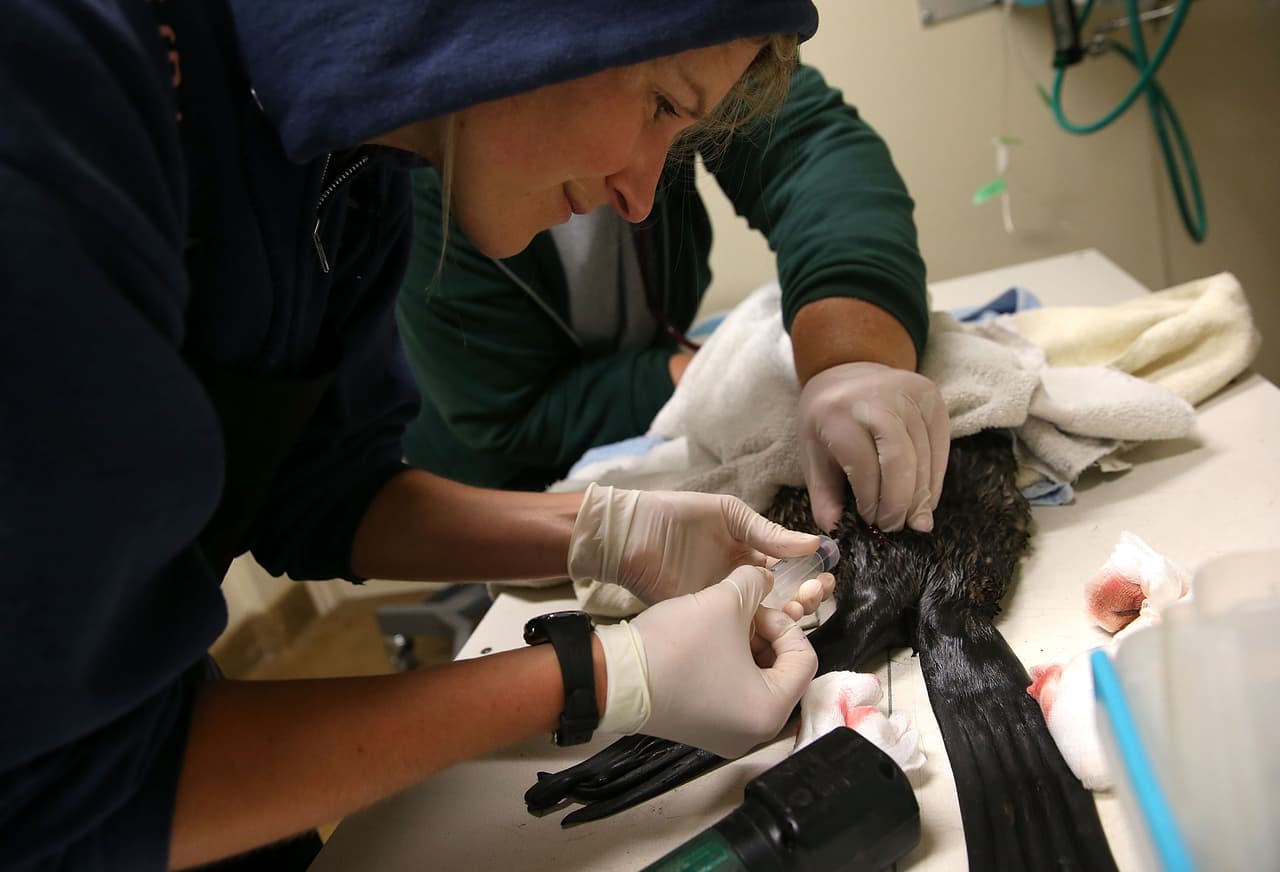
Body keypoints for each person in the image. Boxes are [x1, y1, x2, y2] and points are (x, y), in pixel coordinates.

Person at [0, 2, 840, 870]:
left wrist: (604, 531)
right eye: (661, 104)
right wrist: (603, 674)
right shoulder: (54, 84)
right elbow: (59, 788)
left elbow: (318, 491)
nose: (637, 198)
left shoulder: (356, 166)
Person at [396, 62, 951, 536]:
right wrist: (688, 375)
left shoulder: (670, 73)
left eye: (681, 119)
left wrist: (850, 350)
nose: (640, 201)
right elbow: (508, 418)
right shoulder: (414, 186)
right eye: (662, 105)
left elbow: (807, 148)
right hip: (500, 487)